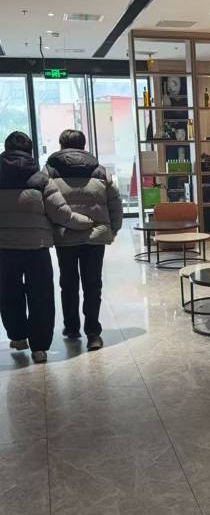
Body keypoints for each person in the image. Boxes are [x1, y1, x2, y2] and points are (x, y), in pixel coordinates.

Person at [0, 131, 92, 363]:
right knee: (41, 297)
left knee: (8, 294)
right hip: (37, 248)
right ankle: (39, 348)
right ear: (30, 151)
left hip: (4, 250)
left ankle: (18, 336)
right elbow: (61, 213)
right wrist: (87, 222)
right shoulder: (40, 179)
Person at [46, 129, 123, 351]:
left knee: (68, 284)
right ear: (83, 145)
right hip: (94, 236)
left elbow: (45, 204)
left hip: (65, 235)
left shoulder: (50, 170)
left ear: (61, 145)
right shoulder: (99, 170)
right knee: (92, 284)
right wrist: (112, 229)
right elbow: (115, 202)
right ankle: (93, 333)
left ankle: (71, 328)